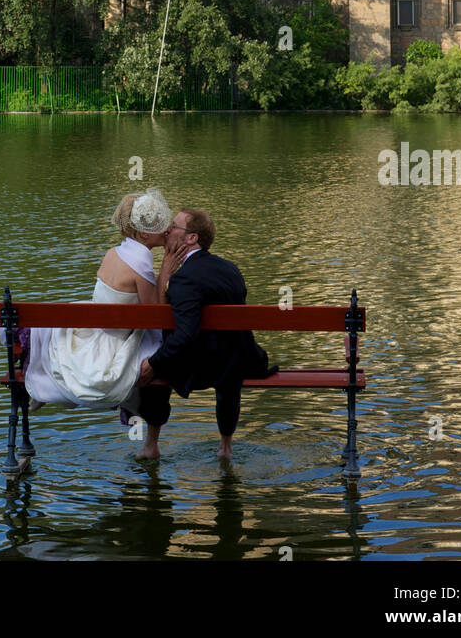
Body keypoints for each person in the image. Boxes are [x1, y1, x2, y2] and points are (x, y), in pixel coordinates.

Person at [24, 189, 188, 452]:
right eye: (161, 227)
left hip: (97, 329)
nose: (167, 229)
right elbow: (154, 314)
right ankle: (151, 442)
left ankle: (149, 442)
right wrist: (166, 271)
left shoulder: (116, 252)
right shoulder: (142, 262)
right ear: (144, 234)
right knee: (160, 356)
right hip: (114, 338)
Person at [138, 207, 278, 458]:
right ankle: (226, 446)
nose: (168, 230)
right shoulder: (230, 268)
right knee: (228, 357)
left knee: (154, 360)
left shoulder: (184, 279)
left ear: (192, 238)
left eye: (174, 226)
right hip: (237, 361)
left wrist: (153, 362)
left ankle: (151, 445)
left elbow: (184, 337)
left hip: (202, 367)